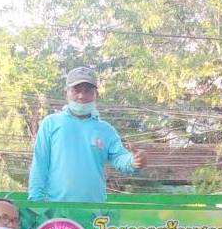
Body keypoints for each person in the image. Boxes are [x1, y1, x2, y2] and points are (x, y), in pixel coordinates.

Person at [26, 67, 146, 203]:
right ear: (66, 93)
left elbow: (120, 157)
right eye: (76, 90)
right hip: (56, 210)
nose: (82, 96)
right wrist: (36, 203)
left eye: (88, 91)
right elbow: (40, 164)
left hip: (94, 211)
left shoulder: (106, 130)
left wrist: (133, 161)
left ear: (96, 95)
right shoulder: (51, 123)